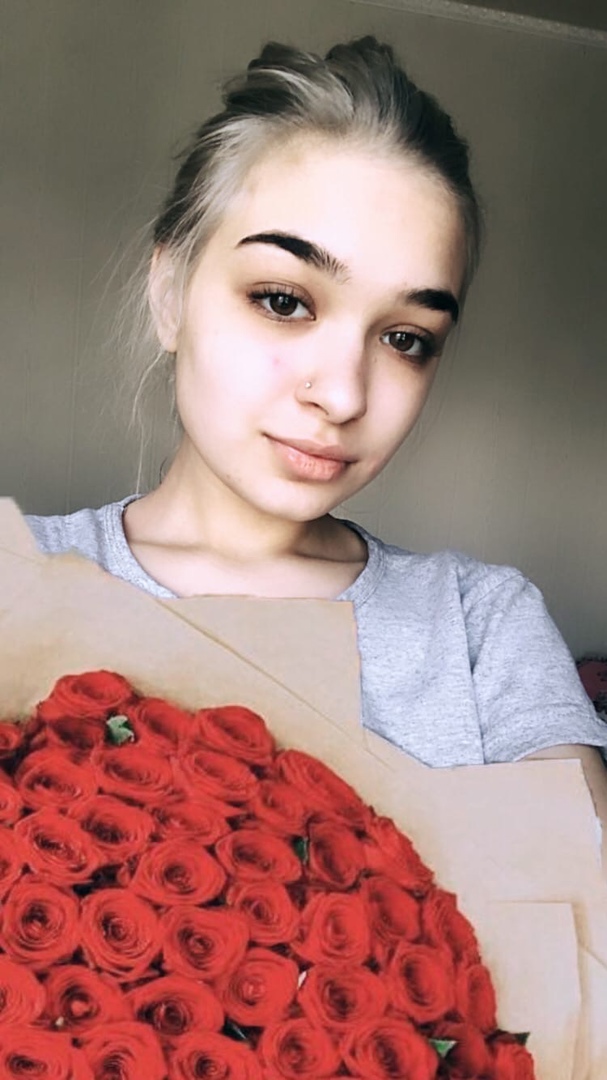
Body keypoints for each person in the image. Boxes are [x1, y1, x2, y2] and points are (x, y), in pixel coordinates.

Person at [24, 38, 607, 846]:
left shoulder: (480, 625)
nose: (341, 395)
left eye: (405, 339)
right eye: (283, 299)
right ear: (169, 294)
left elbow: (581, 898)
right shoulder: (19, 576)